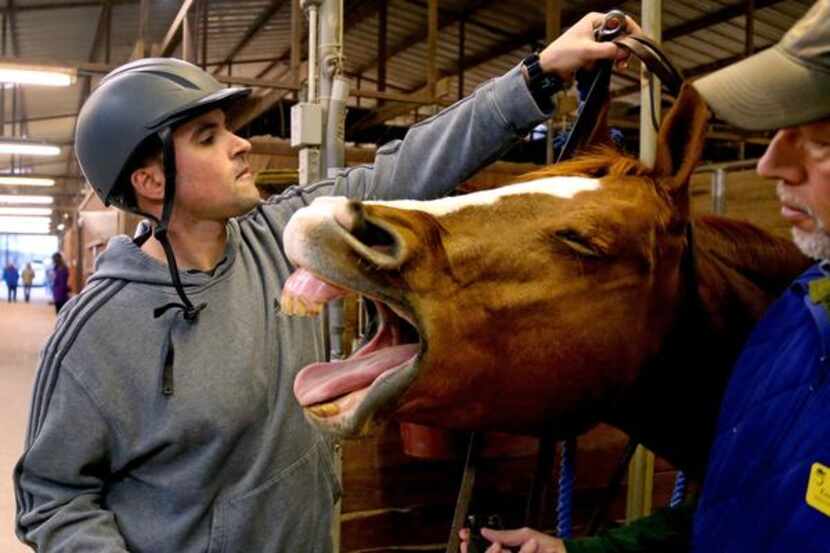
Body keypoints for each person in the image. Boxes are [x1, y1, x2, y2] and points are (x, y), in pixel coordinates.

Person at [13, 12, 641, 553]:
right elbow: (52, 497)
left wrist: (539, 73)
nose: (241, 145)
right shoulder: (98, 331)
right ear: (152, 183)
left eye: (229, 128)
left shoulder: (284, 236)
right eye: (208, 138)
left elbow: (410, 166)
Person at [461, 1, 830, 552]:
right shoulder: (796, 317)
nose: (770, 164)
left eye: (821, 139)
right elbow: (740, 513)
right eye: (782, 132)